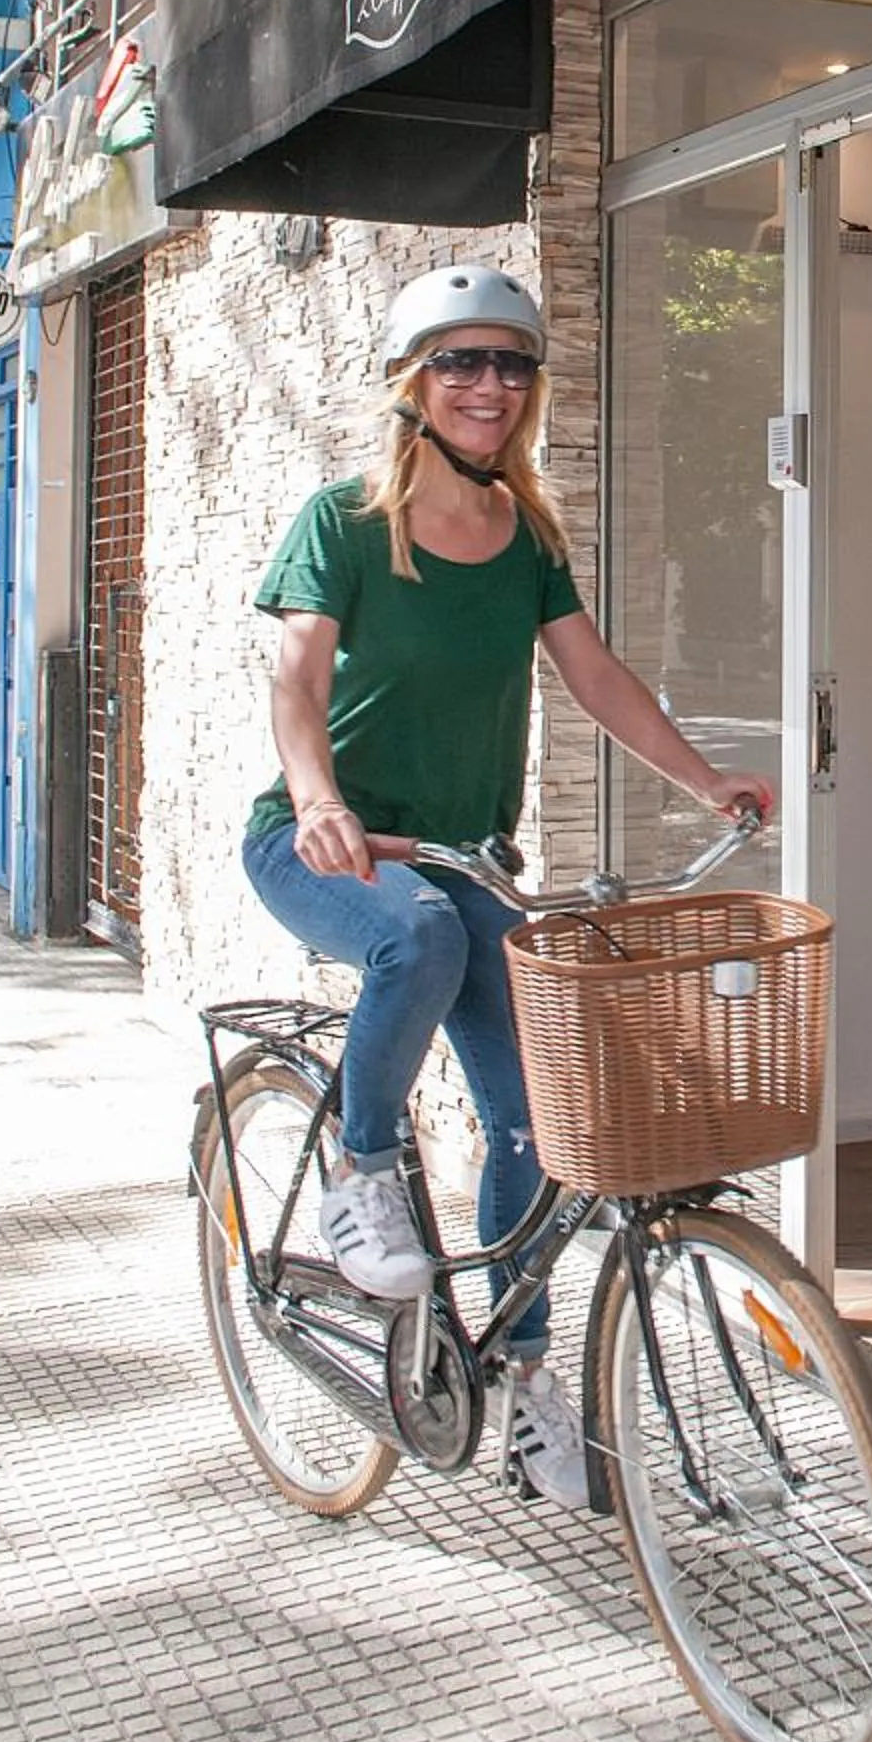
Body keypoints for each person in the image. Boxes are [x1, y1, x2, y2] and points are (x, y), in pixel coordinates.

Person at [241, 263, 774, 1505]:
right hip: (330, 848)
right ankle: (359, 1174)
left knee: (537, 1119)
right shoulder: (345, 523)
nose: (491, 385)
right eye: (462, 363)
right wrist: (321, 803)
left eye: (513, 365)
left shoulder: (525, 534)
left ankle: (528, 1391)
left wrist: (703, 780)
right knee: (416, 939)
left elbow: (595, 678)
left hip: (468, 859)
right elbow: (296, 681)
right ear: (414, 382)